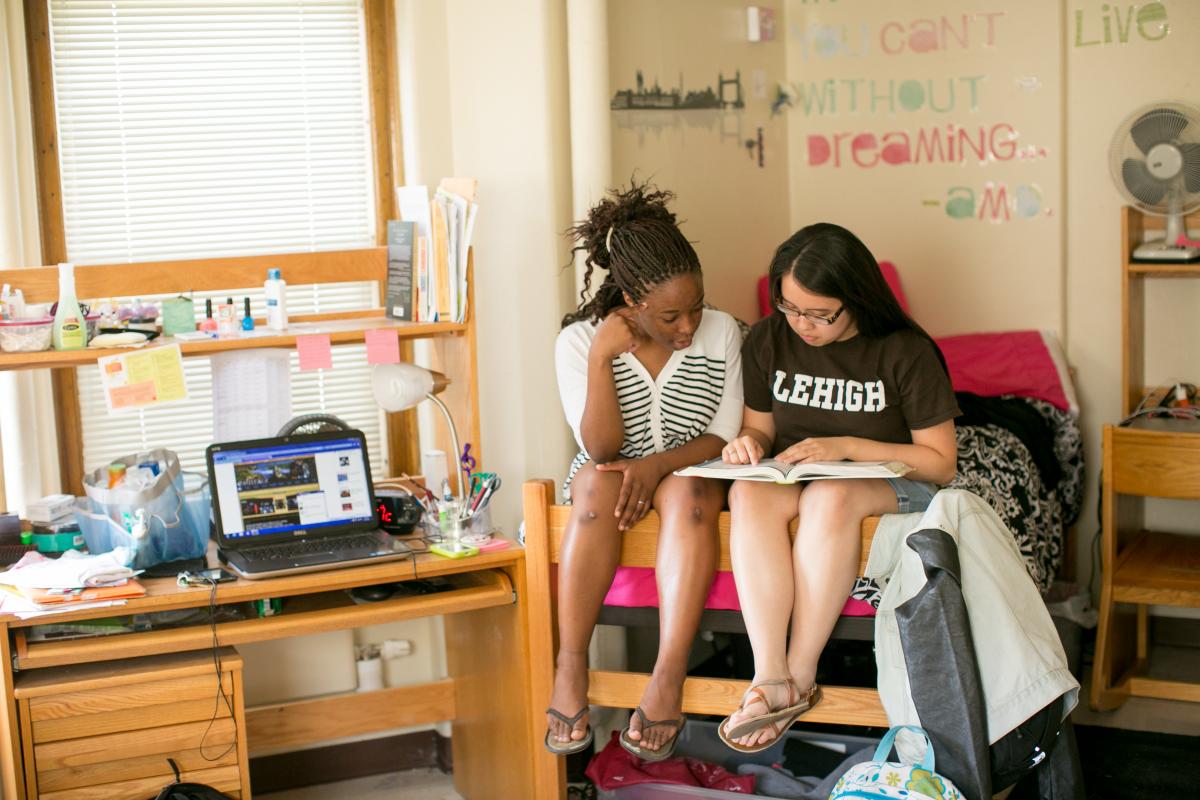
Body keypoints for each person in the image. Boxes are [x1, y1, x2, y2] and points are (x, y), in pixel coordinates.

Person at [718, 223, 960, 752]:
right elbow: (760, 425)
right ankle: (769, 676)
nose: (802, 325)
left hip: (890, 479)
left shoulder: (904, 351)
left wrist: (846, 446)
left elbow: (941, 464)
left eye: (818, 314)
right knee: (748, 493)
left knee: (830, 497)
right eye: (789, 308)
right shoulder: (767, 338)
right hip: (800, 470)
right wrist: (748, 445)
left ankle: (801, 676)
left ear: (855, 299)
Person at [546, 181, 744, 760]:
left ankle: (667, 675)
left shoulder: (723, 333)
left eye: (696, 307)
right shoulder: (579, 341)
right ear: (631, 298)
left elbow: (724, 432)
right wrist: (604, 357)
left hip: (692, 467)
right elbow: (602, 446)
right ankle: (570, 664)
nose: (689, 326)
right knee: (591, 487)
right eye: (671, 314)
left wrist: (657, 467)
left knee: (690, 497)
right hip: (609, 477)